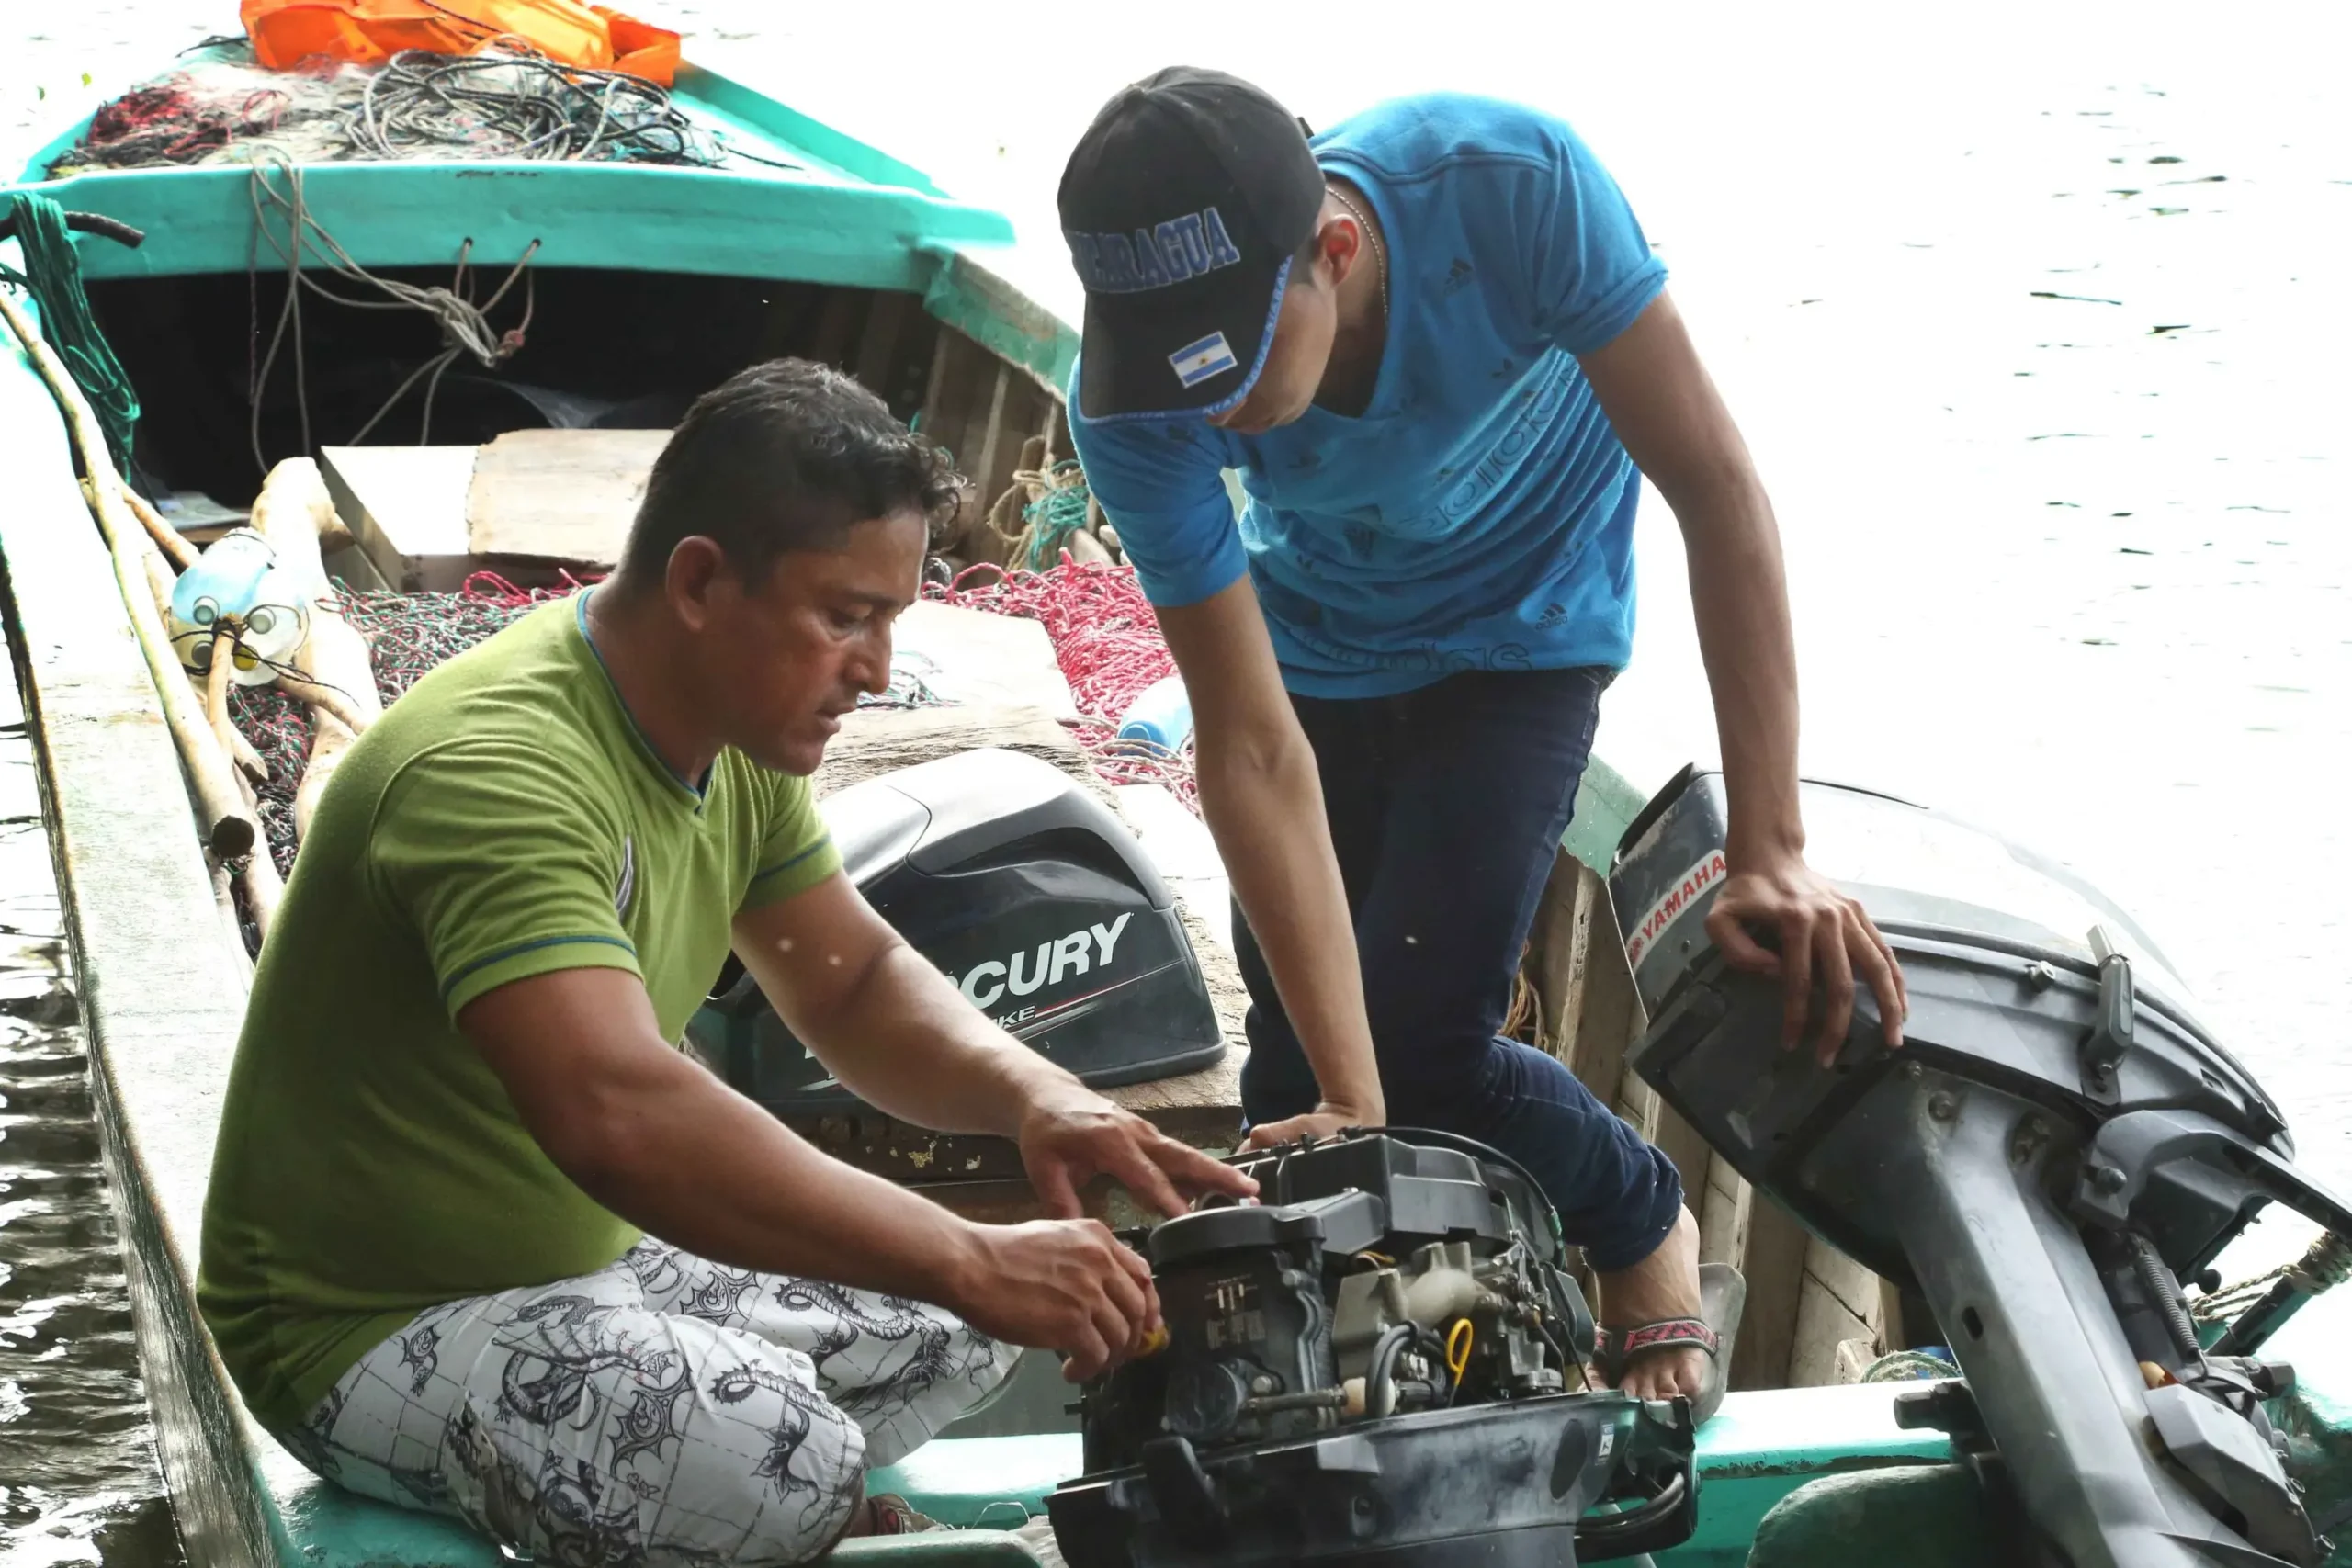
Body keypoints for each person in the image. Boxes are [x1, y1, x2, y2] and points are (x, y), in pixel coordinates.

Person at [197, 359, 1255, 1566]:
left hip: (591, 1252)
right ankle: (796, 1500)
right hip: (368, 1323)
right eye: (845, 617)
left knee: (971, 1318)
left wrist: (1039, 1098)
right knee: (797, 1445)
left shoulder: (733, 733)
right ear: (699, 581)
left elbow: (848, 980)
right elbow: (617, 1112)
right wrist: (965, 1253)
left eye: (892, 622)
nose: (877, 669)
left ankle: (768, 1485)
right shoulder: (497, 772)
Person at [1057, 69, 1909, 1403]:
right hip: (1319, 642)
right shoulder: (1129, 408)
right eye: (1166, 366)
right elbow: (1249, 740)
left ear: (1336, 250)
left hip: (1529, 629)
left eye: (1224, 361)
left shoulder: (1511, 191)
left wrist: (1772, 845)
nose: (1200, 405)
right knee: (1296, 1089)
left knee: (1425, 1044)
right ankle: (1387, 1373)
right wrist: (1348, 1097)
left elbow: (1716, 488)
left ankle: (1641, 1220)